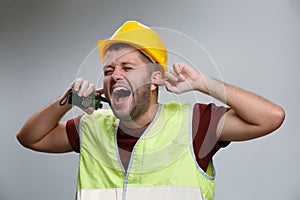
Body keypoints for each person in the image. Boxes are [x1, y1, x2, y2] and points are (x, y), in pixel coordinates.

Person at [17, 20, 285, 200]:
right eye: (108, 70)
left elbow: (271, 118)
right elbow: (30, 138)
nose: (115, 75)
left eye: (127, 68)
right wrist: (66, 101)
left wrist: (203, 83)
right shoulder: (91, 126)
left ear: (155, 78)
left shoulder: (195, 123)